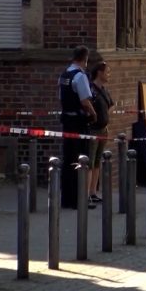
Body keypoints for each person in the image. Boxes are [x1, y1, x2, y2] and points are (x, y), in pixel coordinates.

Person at [58, 45, 97, 209]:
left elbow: (61, 98)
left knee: (68, 159)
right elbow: (85, 101)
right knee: (81, 159)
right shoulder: (80, 76)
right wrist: (94, 114)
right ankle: (78, 199)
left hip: (67, 120)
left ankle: (67, 198)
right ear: (85, 59)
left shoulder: (64, 75)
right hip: (79, 122)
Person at [88, 61, 113, 207]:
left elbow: (110, 105)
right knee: (90, 161)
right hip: (93, 130)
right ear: (99, 72)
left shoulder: (104, 90)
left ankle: (93, 192)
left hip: (103, 129)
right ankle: (86, 194)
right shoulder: (92, 89)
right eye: (107, 71)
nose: (108, 74)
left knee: (97, 161)